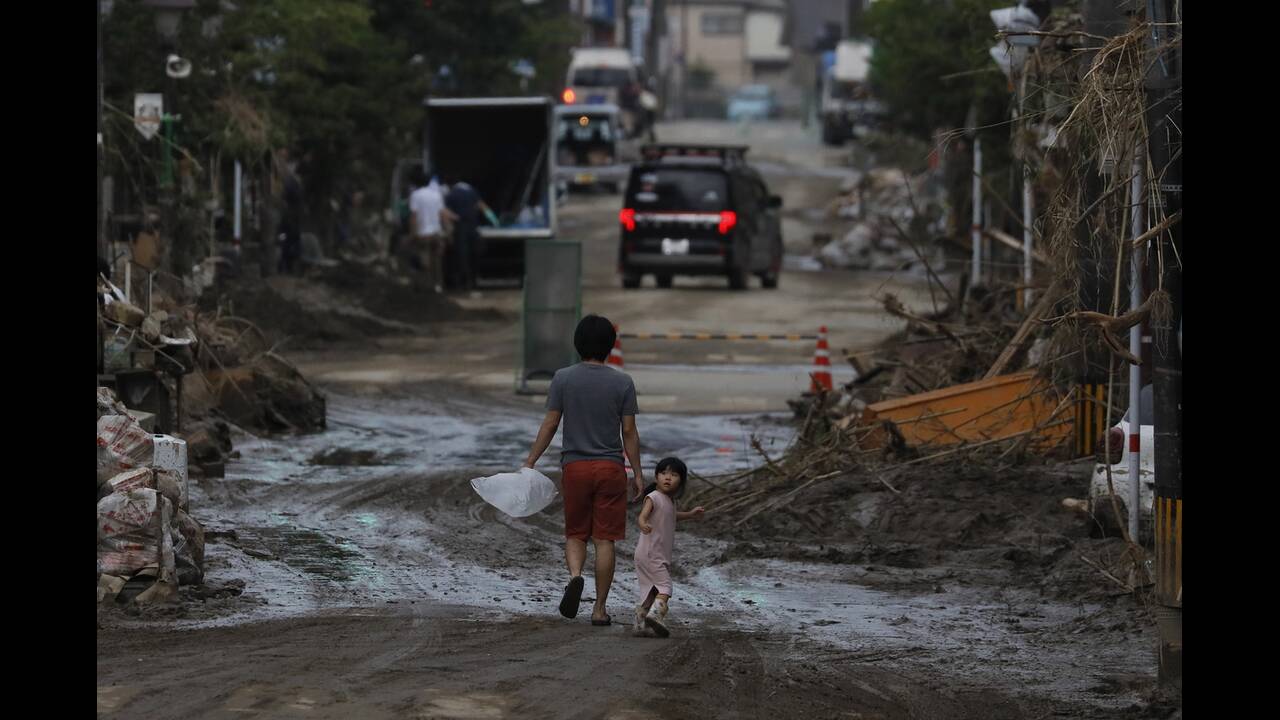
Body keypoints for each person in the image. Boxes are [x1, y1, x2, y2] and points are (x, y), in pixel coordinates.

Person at [523, 315, 645, 626]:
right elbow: (629, 432)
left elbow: (551, 423)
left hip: (575, 467)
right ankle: (600, 609)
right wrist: (638, 473)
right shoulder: (623, 382)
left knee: (576, 534)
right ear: (609, 347)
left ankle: (576, 575)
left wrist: (531, 460)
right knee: (605, 540)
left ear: (577, 344)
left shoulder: (563, 378)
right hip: (610, 468)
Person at [633, 457, 705, 638]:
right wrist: (643, 524)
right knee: (665, 587)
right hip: (652, 554)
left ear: (681, 481)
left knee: (651, 590)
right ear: (656, 476)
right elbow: (642, 516)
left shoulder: (670, 501)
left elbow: (672, 515)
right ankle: (656, 616)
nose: (668, 478)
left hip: (652, 554)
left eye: (674, 475)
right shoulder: (654, 497)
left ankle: (640, 623)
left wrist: (690, 514)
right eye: (664, 473)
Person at [443, 176, 494, 291]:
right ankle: (473, 280)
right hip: (473, 226)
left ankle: (463, 282)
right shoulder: (471, 191)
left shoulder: (451, 194)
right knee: (474, 253)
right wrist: (493, 220)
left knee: (462, 255)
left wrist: (453, 222)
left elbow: (445, 212)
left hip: (461, 227)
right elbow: (482, 206)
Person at [408, 169, 454, 292]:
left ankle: (424, 287)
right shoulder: (436, 195)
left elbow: (413, 216)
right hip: (437, 233)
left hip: (423, 234)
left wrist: (412, 234)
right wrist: (448, 231)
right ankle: (438, 286)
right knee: (437, 262)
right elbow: (442, 214)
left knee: (424, 261)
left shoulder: (415, 195)